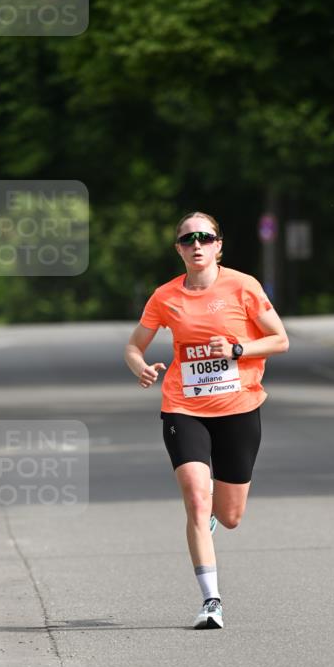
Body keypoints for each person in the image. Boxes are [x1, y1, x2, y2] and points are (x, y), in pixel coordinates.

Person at [124, 211, 289, 630]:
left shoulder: (243, 286)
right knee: (197, 499)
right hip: (184, 407)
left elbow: (280, 339)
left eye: (205, 237)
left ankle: (214, 516)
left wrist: (236, 349)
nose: (196, 244)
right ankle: (211, 601)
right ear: (178, 249)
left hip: (239, 409)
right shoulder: (165, 297)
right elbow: (133, 346)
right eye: (187, 239)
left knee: (230, 516)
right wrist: (139, 366)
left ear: (218, 245)